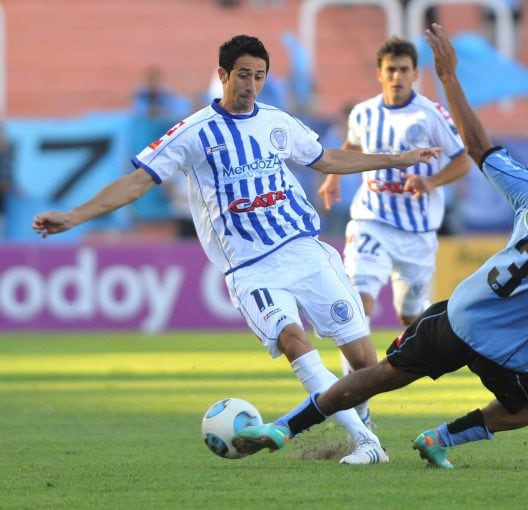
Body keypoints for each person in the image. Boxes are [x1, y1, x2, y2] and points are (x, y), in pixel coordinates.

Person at [232, 24, 528, 468]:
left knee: (375, 378)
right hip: (511, 353)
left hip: (459, 315)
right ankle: (444, 437)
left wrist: (449, 76)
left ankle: (284, 427)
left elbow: (477, 146)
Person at [32, 34, 439, 465]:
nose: (251, 85)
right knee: (293, 340)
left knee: (362, 359)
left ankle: (364, 424)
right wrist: (74, 216)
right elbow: (138, 181)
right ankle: (365, 443)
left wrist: (395, 160)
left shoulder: (275, 122)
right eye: (243, 75)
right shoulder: (193, 132)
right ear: (223, 75)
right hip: (250, 268)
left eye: (259, 76)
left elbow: (326, 159)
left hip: (304, 250)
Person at [317, 36, 472, 339]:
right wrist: (333, 176)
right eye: (390, 70)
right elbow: (353, 143)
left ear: (416, 74)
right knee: (359, 302)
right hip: (371, 221)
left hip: (418, 232)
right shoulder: (363, 113)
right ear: (379, 74)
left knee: (410, 314)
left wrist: (430, 182)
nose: (397, 77)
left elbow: (463, 161)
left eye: (403, 70)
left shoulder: (430, 114)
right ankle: (356, 381)